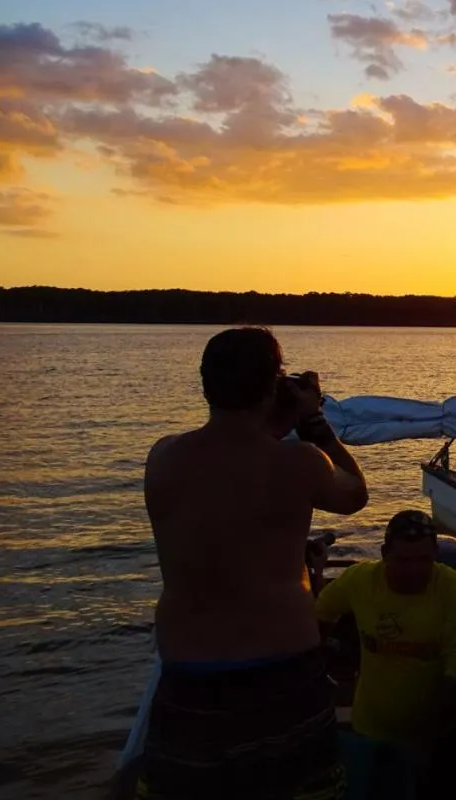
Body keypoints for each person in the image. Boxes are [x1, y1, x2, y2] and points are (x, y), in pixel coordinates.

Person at [139, 327, 368, 800]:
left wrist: (274, 417)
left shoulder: (162, 458)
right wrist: (313, 420)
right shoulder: (300, 463)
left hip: (188, 674)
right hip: (280, 673)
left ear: (206, 385)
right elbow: (355, 492)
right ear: (273, 385)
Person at [312, 510, 456, 800]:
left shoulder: (454, 590)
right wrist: (316, 673)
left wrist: (428, 742)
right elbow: (321, 615)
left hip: (434, 738)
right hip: (370, 732)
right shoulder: (359, 581)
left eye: (423, 560)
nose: (414, 570)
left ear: (436, 554)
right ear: (385, 553)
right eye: (403, 560)